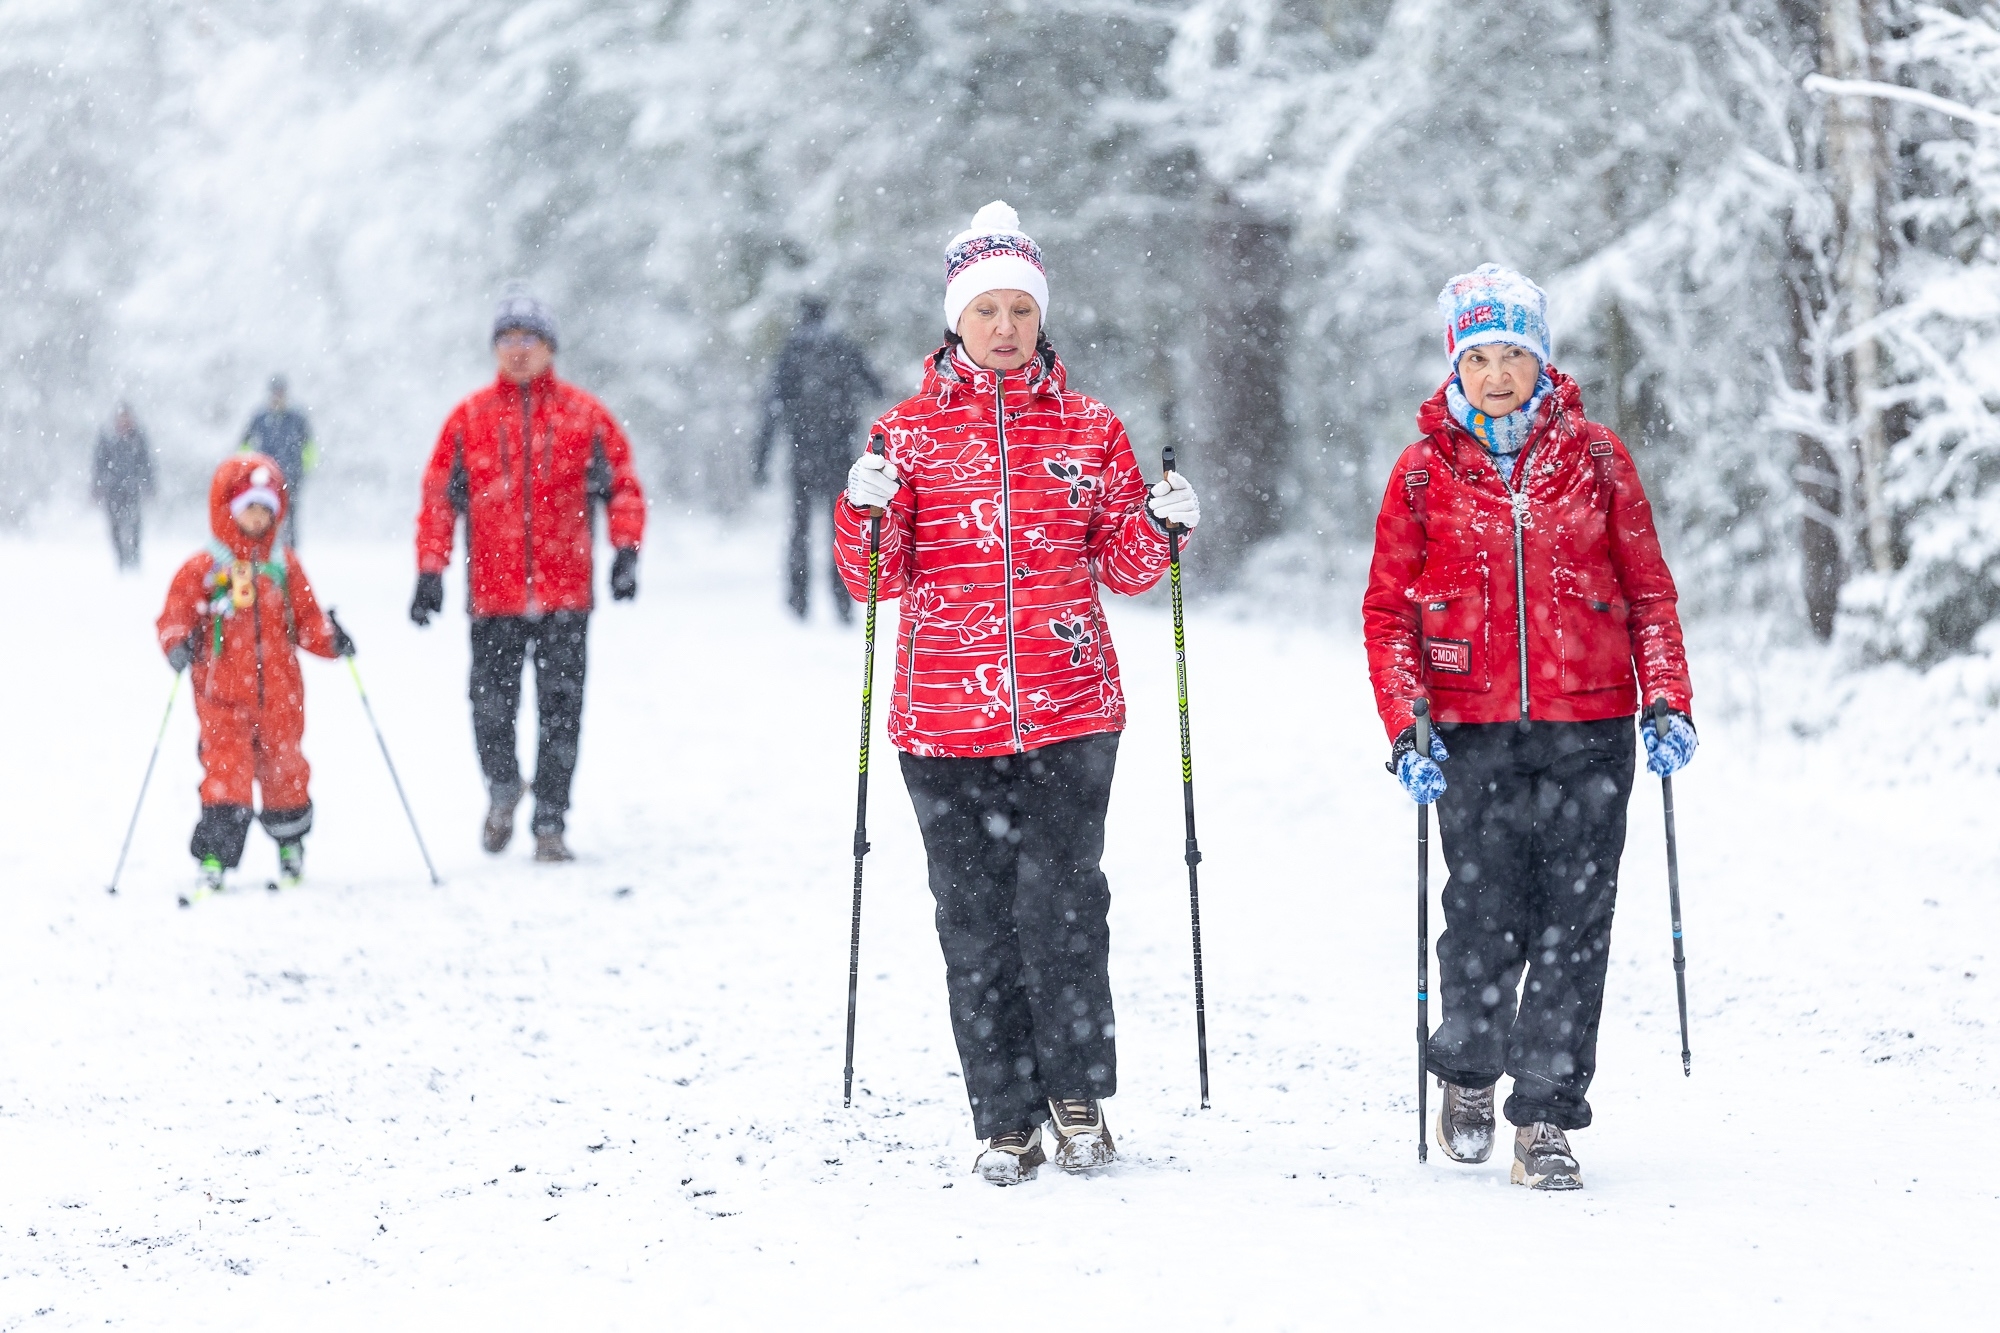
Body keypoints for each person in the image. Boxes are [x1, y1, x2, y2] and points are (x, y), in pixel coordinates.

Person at [835, 202, 1203, 1186]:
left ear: (1040, 318)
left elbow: (1122, 563)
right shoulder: (903, 437)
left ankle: (1076, 1096)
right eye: (985, 309)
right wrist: (858, 511)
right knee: (974, 921)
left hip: (1069, 709)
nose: (1003, 327)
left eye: (1019, 310)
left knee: (1065, 909)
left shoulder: (1090, 430)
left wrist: (1163, 524)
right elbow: (876, 579)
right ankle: (1003, 1116)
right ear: (956, 319)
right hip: (943, 719)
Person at [1361, 264, 1697, 1191]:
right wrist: (1407, 722)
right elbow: (1388, 612)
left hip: (1590, 725)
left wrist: (1667, 695)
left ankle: (1546, 1113)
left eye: (1514, 353)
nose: (1498, 372)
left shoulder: (1595, 457)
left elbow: (1649, 594)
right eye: (1480, 355)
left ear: (1542, 359)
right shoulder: (1424, 472)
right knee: (1481, 915)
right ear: (1454, 365)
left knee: (1576, 923)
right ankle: (1467, 1067)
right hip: (1470, 730)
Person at [411, 290, 647, 863]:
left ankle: (549, 822)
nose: (518, 350)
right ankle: (502, 786)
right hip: (493, 595)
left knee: (561, 712)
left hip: (566, 592)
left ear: (550, 348)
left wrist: (626, 550)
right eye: (507, 339)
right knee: (490, 708)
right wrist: (430, 571)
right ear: (495, 347)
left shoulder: (585, 417)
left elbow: (622, 485)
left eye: (529, 339)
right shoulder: (468, 420)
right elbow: (439, 499)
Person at [156, 453, 354, 902]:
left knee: (285, 771)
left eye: (267, 508)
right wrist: (176, 641)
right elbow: (175, 614)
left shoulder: (284, 567)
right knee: (226, 772)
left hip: (280, 695)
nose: (259, 517)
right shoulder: (205, 567)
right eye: (250, 507)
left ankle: (291, 844)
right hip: (221, 696)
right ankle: (214, 858)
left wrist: (331, 638)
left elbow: (307, 620)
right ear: (228, 510)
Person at [754, 296, 883, 622]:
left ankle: (798, 602)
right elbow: (876, 387)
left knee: (799, 529)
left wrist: (761, 460)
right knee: (840, 530)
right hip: (840, 456)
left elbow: (771, 409)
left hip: (801, 455)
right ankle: (842, 602)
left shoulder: (791, 352)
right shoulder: (842, 347)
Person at [241, 375, 317, 546]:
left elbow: (309, 446)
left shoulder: (297, 418)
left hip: (291, 476)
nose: (278, 396)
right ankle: (266, 550)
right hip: (265, 478)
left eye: (280, 393)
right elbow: (245, 445)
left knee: (290, 516)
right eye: (275, 393)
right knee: (266, 514)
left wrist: (302, 470)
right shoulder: (259, 418)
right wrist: (248, 470)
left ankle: (290, 553)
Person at [92, 402, 155, 569]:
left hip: (132, 490)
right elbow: (98, 464)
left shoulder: (138, 438)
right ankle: (120, 558)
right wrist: (97, 487)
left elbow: (146, 463)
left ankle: (134, 557)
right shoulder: (107, 439)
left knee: (135, 525)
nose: (124, 422)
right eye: (121, 418)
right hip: (112, 490)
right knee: (114, 526)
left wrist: (149, 485)